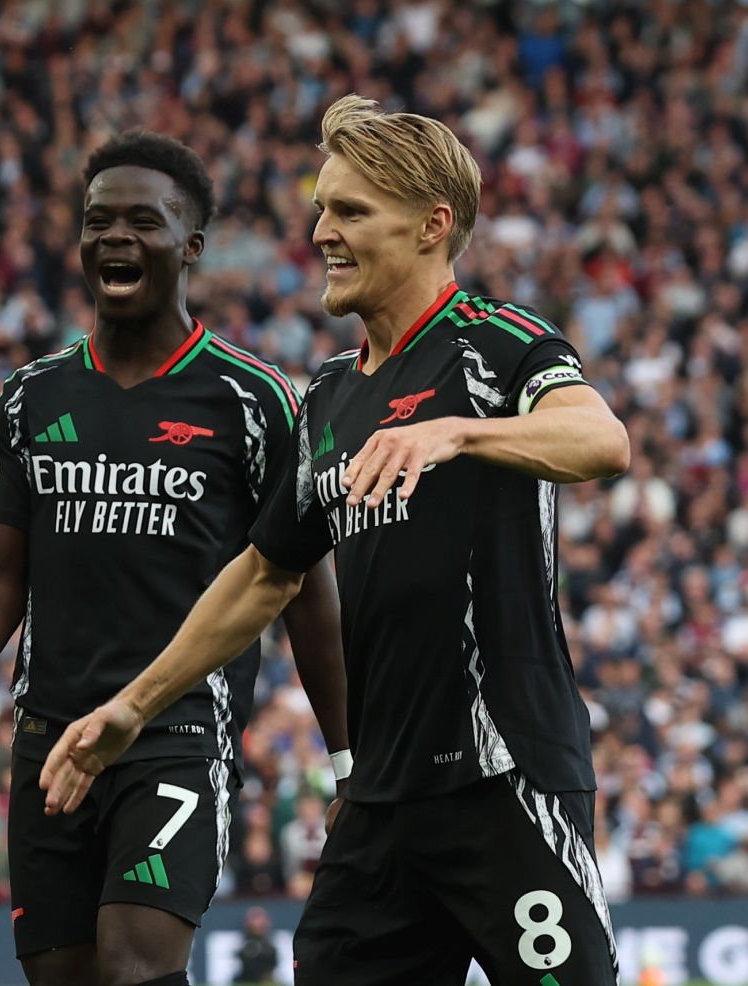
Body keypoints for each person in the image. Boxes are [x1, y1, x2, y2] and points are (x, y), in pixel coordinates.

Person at [41, 96, 631, 986]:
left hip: (501, 780)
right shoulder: (327, 399)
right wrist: (136, 703)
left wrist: (459, 434)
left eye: (350, 211)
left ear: (434, 227)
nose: (322, 231)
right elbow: (264, 575)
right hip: (380, 806)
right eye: (322, 208)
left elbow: (602, 441)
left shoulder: (494, 345)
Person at [0, 132, 348, 986]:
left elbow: (306, 593)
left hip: (175, 727)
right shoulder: (31, 397)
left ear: (191, 246)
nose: (115, 237)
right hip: (48, 734)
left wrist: (349, 759)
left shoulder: (254, 400)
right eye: (98, 221)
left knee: (138, 964)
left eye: (143, 220)